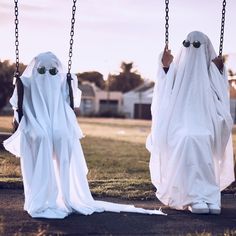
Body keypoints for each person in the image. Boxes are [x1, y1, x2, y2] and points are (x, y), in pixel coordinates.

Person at [4, 52, 164, 218]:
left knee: (63, 137)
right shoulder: (26, 84)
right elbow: (19, 109)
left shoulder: (62, 83)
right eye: (41, 71)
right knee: (41, 138)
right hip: (34, 123)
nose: (46, 76)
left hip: (58, 122)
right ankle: (42, 197)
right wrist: (31, 127)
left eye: (52, 72)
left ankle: (65, 193)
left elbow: (68, 106)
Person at [146, 31, 235, 214]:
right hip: (178, 123)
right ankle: (193, 196)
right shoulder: (176, 70)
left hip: (206, 120)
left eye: (196, 45)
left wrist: (218, 70)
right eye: (186, 44)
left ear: (205, 49)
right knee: (189, 138)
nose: (190, 49)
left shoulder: (211, 70)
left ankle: (209, 196)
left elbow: (221, 95)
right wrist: (164, 65)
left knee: (202, 137)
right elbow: (163, 89)